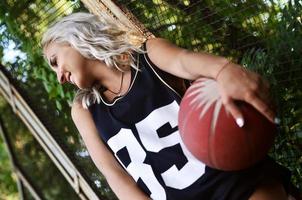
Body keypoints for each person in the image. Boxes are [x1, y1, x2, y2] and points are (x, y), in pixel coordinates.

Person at [41, 12, 291, 200]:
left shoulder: (150, 55)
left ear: (74, 37)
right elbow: (115, 176)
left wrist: (226, 70)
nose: (59, 77)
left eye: (55, 61)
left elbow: (186, 62)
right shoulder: (85, 111)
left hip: (236, 184)